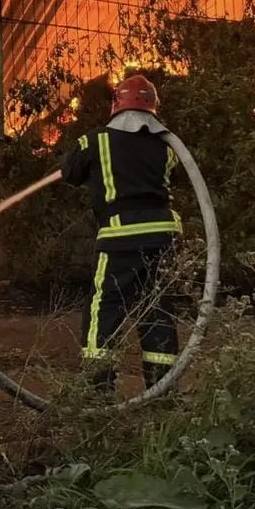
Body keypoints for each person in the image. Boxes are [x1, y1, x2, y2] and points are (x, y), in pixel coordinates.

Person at [58, 74, 181, 395]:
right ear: (154, 108)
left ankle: (99, 391)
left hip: (120, 238)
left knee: (106, 306)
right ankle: (161, 391)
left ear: (115, 107)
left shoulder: (95, 141)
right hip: (163, 239)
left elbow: (70, 173)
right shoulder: (167, 145)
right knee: (158, 309)